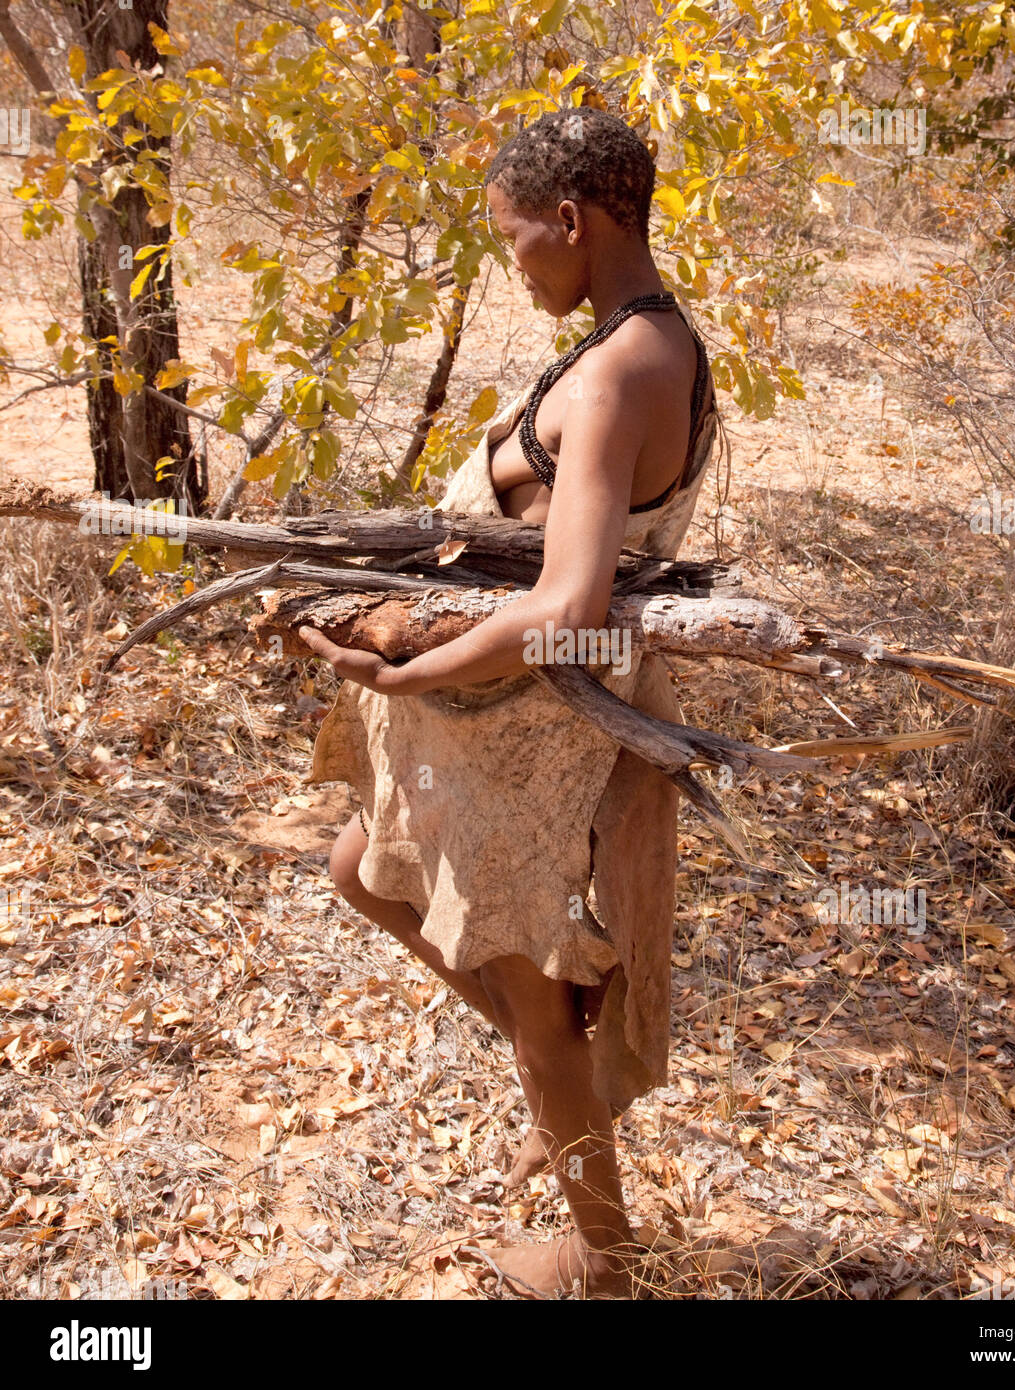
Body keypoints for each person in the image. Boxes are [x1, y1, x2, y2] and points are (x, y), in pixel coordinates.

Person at [299, 107, 718, 1298]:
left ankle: (603, 1258)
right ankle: (569, 1088)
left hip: (531, 740)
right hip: (498, 733)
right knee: (360, 869)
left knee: (536, 1003)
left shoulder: (628, 366)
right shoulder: (640, 335)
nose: (513, 258)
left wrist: (408, 668)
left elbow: (566, 601)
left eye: (515, 236)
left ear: (574, 220)